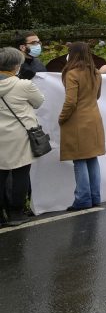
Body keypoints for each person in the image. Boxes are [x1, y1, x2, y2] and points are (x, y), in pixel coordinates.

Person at [0, 47, 45, 226]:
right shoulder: (23, 85)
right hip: (19, 136)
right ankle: (16, 213)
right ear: (16, 66)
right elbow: (39, 102)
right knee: (20, 174)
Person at [59, 42, 105, 211]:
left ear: (73, 54)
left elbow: (71, 101)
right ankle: (95, 197)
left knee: (79, 160)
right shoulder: (96, 72)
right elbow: (97, 95)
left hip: (77, 121)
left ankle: (82, 199)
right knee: (92, 158)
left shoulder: (72, 73)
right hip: (94, 119)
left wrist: (62, 118)